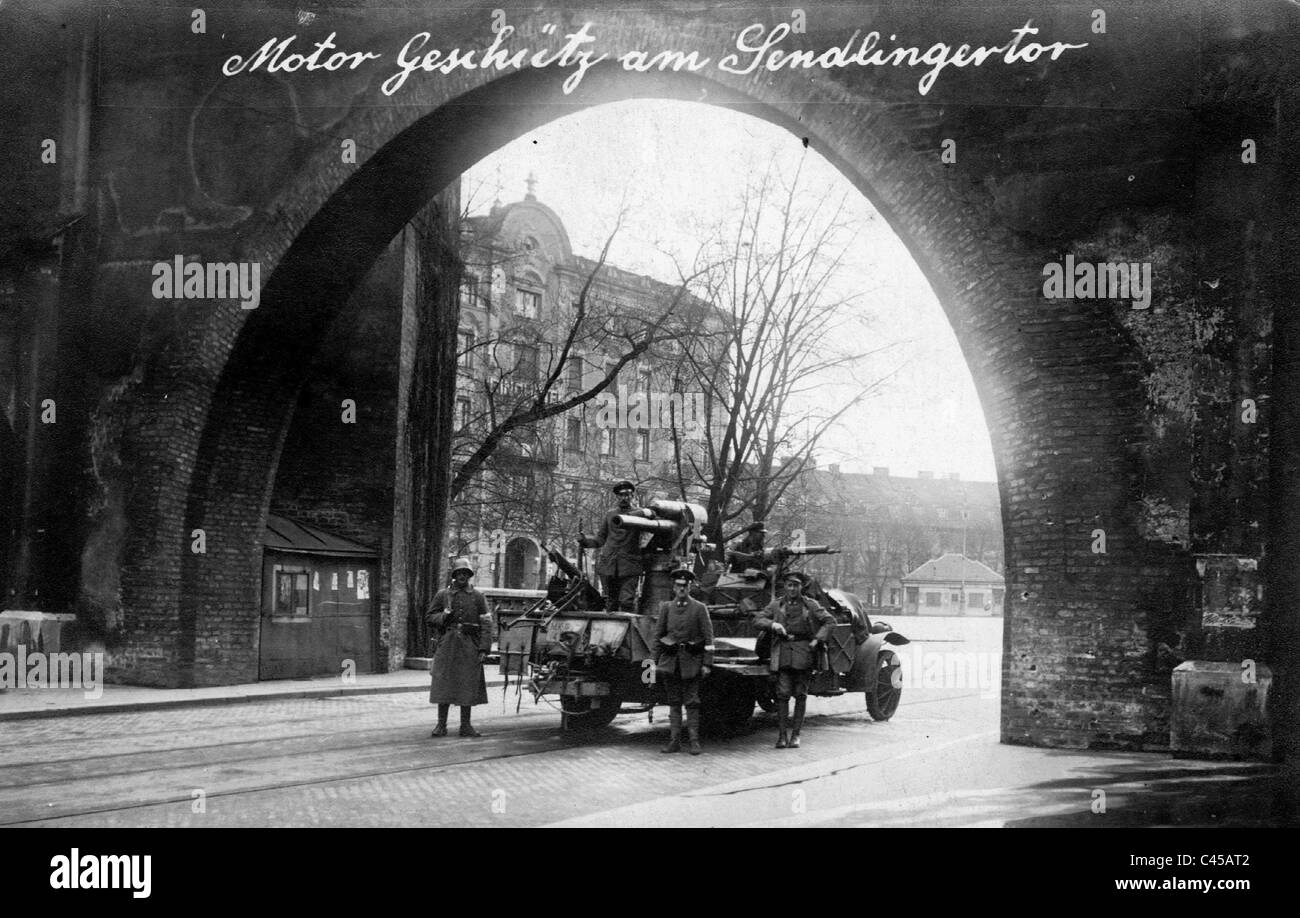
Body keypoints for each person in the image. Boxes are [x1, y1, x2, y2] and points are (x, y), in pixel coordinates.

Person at [755, 570, 834, 749]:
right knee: (782, 695)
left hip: (804, 653)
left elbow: (830, 621)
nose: (792, 588)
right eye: (789, 585)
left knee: (800, 694)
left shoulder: (810, 605)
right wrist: (772, 624)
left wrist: (817, 639)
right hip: (782, 653)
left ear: (801, 587)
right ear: (785, 586)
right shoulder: (777, 605)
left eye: (796, 585)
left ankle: (796, 735)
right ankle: (782, 736)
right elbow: (757, 619)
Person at [652, 568, 715, 755]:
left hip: (692, 662)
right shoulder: (666, 608)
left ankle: (694, 741)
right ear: (673, 587)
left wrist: (707, 664)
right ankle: (674, 741)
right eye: (678, 585)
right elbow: (658, 636)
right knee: (673, 701)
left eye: (685, 586)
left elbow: (709, 638)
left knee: (692, 702)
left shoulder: (699, 608)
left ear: (690, 587)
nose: (681, 589)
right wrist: (653, 664)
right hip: (670, 662)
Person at [426, 558, 491, 738]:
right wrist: (443, 616)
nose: (462, 576)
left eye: (465, 573)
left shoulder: (478, 596)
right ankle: (441, 725)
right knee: (443, 683)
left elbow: (486, 623)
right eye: (459, 573)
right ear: (454, 575)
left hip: (470, 645)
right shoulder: (442, 595)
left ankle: (466, 726)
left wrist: (483, 649)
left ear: (469, 576)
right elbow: (430, 617)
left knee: (467, 684)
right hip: (447, 644)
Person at [579, 480, 644, 611]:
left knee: (627, 602)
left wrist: (638, 514)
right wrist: (585, 541)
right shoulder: (610, 514)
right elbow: (600, 539)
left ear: (632, 496)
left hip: (629, 566)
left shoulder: (640, 514)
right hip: (609, 565)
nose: (624, 498)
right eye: (621, 495)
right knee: (610, 602)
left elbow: (652, 517)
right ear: (617, 497)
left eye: (627, 495)